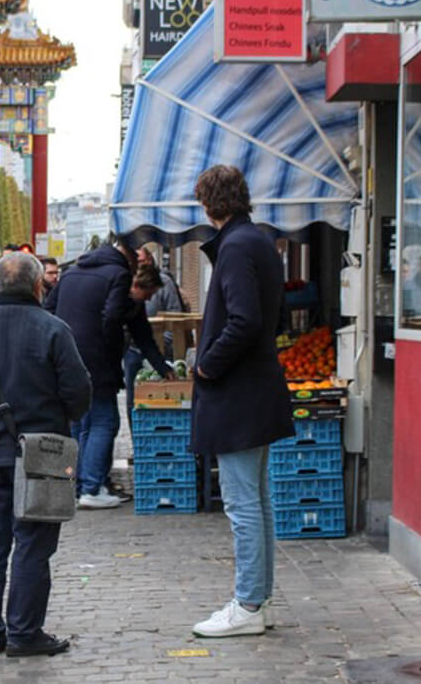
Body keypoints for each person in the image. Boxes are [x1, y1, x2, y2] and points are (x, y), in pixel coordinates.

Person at [0, 252, 92, 658]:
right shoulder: (54, 330)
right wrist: (58, 417)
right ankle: (24, 633)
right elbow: (80, 392)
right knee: (33, 543)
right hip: (43, 452)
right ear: (38, 286)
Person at [188, 165, 293, 638]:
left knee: (243, 504)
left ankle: (248, 604)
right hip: (260, 386)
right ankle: (258, 599)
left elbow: (245, 320)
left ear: (210, 204)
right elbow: (276, 317)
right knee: (259, 501)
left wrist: (208, 363)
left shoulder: (233, 247)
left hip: (236, 393)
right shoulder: (260, 243)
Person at [44, 237, 174, 510]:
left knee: (81, 423)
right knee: (105, 421)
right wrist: (113, 354)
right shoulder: (118, 276)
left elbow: (49, 309)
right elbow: (113, 319)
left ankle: (79, 485)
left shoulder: (71, 274)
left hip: (66, 359)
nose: (149, 300)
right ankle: (91, 486)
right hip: (96, 360)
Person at [123, 254, 185, 429]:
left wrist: (163, 361)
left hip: (157, 349)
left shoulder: (163, 284)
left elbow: (174, 315)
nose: (149, 299)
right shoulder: (123, 296)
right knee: (133, 398)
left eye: (143, 261)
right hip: (132, 351)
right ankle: (138, 437)